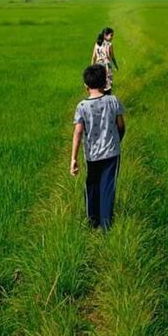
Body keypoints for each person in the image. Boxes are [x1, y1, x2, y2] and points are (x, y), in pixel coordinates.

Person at [70, 64, 125, 230]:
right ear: (105, 83)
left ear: (86, 86)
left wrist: (73, 158)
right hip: (112, 153)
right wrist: (116, 141)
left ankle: (92, 221)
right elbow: (121, 126)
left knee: (92, 185)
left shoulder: (82, 107)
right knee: (108, 187)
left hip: (92, 155)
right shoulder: (113, 101)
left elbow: (78, 133)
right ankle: (106, 225)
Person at [91, 27, 118, 94]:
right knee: (108, 85)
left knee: (99, 84)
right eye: (111, 35)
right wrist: (116, 66)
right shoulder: (109, 45)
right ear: (105, 35)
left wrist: (92, 68)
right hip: (107, 66)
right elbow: (112, 57)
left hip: (98, 65)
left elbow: (93, 57)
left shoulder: (97, 44)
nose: (112, 37)